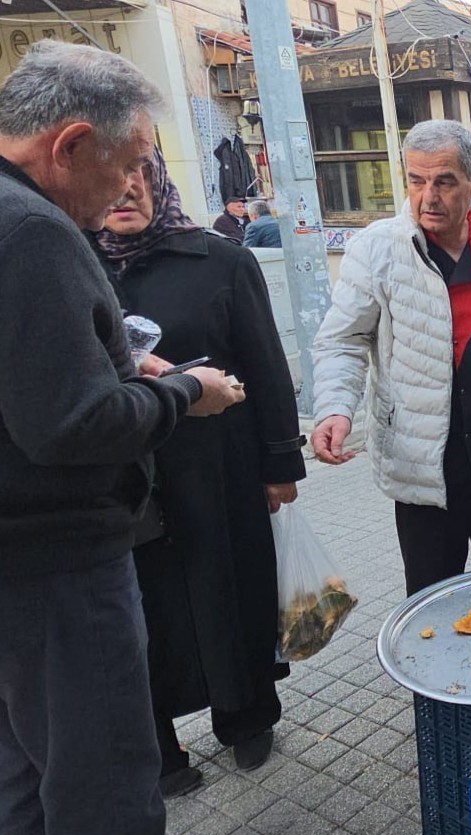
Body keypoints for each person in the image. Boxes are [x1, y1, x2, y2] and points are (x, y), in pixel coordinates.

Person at [0, 41, 243, 835]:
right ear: (71, 146)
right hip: (58, 569)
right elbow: (70, 426)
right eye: (129, 161)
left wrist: (117, 359)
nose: (131, 185)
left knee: (26, 779)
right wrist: (180, 391)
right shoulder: (32, 232)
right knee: (102, 784)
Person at [97, 148, 305, 795]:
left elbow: (267, 368)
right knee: (138, 613)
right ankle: (158, 747)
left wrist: (280, 464)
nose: (125, 189)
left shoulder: (220, 260)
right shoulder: (72, 264)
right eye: (109, 174)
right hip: (122, 480)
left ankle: (245, 718)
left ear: (158, 178)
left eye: (137, 172)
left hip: (220, 471)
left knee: (230, 595)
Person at [310, 120, 471, 596]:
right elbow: (342, 340)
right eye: (416, 180)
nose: (429, 197)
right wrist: (334, 408)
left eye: (444, 181)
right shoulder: (378, 250)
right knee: (431, 592)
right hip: (423, 460)